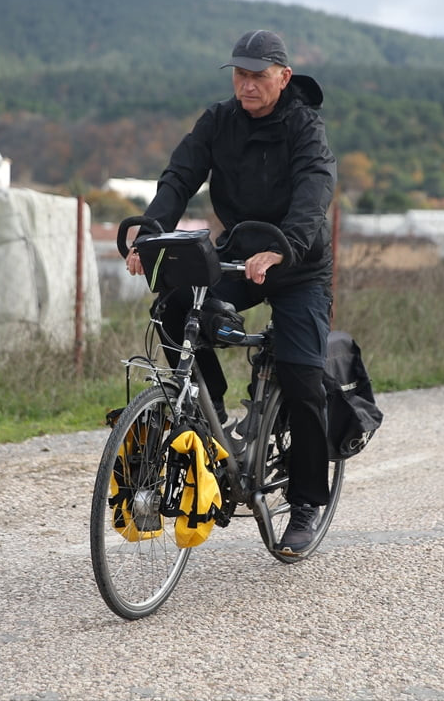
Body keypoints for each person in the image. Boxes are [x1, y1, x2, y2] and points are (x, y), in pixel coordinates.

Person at [126, 29, 336, 556]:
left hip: (297, 263)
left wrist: (286, 246)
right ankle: (208, 404)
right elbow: (179, 176)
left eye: (257, 76)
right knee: (173, 303)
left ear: (283, 77)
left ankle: (307, 501)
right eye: (239, 75)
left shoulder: (305, 129)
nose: (246, 85)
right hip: (239, 255)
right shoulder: (219, 121)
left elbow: (314, 191)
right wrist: (150, 231)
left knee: (301, 373)